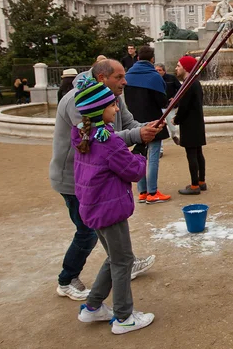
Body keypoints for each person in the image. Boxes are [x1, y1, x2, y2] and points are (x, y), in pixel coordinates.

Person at [49, 59, 160, 301]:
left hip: (97, 178)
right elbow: (99, 140)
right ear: (102, 78)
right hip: (74, 179)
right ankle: (67, 279)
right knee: (88, 231)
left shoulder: (111, 96)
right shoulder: (78, 100)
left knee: (104, 231)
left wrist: (148, 128)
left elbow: (128, 124)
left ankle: (122, 263)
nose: (125, 81)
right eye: (119, 77)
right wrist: (137, 139)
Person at [72, 75, 155, 334]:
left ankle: (93, 307)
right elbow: (134, 172)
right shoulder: (108, 142)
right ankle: (124, 317)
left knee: (116, 257)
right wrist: (141, 150)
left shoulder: (85, 135)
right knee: (123, 261)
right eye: (112, 105)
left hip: (94, 207)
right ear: (99, 110)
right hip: (109, 210)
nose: (117, 109)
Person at [124, 46, 171, 204]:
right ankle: (152, 192)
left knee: (139, 155)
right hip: (153, 121)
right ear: (152, 59)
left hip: (133, 121)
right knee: (153, 157)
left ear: (137, 58)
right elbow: (162, 101)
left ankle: (142, 192)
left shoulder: (128, 75)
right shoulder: (154, 76)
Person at [174, 56, 207, 195]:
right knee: (198, 153)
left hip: (189, 124)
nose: (176, 68)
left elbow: (184, 106)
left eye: (178, 66)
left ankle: (194, 186)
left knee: (191, 154)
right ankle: (201, 181)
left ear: (186, 68)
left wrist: (177, 119)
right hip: (197, 122)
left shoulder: (188, 84)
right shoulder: (195, 82)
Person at [155, 63, 182, 148]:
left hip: (170, 106)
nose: (158, 72)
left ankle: (174, 135)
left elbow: (180, 88)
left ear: (164, 71)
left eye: (160, 70)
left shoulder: (172, 78)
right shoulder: (153, 79)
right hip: (158, 107)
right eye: (156, 70)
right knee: (158, 127)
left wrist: (174, 97)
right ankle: (161, 149)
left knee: (172, 125)